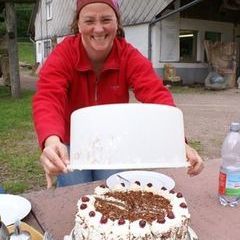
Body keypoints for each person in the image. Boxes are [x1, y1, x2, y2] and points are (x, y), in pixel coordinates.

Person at [32, 0, 204, 188]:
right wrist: (51, 140)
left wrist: (177, 142)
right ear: (78, 24)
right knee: (76, 193)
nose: (98, 29)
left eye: (106, 19)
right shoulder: (64, 54)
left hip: (112, 140)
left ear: (117, 23)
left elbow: (157, 95)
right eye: (89, 21)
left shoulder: (128, 55)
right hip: (71, 141)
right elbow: (48, 96)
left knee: (114, 191)